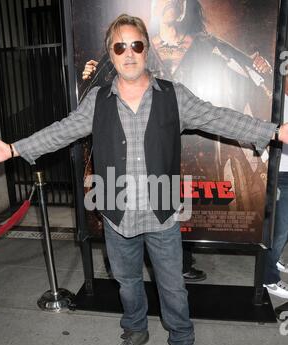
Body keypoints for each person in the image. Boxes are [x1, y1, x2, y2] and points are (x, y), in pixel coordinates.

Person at [0, 14, 287, 345]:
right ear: (111, 55)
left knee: (173, 287)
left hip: (161, 215)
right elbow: (62, 131)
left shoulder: (173, 95)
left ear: (146, 49)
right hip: (117, 216)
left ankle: (182, 341)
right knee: (127, 283)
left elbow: (219, 118)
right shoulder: (96, 101)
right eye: (120, 46)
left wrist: (274, 131)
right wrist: (14, 149)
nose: (128, 53)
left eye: (136, 45)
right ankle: (135, 330)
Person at [82, 0, 273, 282]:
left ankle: (177, 265)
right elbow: (86, 112)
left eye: (179, 0)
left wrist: (262, 74)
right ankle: (125, 266)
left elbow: (224, 105)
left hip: (187, 146)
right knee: (127, 213)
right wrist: (87, 79)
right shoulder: (135, 50)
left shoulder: (205, 44)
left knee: (173, 213)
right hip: (135, 154)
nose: (172, 3)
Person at [264, 76, 288, 299]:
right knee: (279, 229)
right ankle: (268, 278)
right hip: (279, 173)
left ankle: (274, 260)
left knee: (283, 229)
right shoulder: (275, 102)